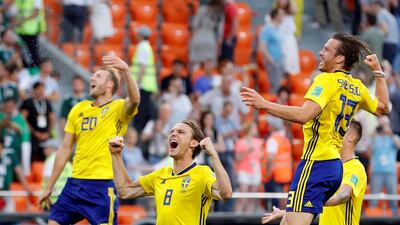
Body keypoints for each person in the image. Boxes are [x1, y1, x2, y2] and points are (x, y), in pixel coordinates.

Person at [241, 32, 389, 225]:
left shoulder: (325, 81)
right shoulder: (357, 87)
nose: (320, 53)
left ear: (340, 59)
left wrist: (264, 104)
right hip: (334, 166)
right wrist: (378, 72)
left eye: (326, 49)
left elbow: (304, 115)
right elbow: (382, 107)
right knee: (287, 222)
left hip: (316, 162)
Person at [36, 53, 140, 225]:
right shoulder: (78, 109)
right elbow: (64, 149)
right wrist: (49, 186)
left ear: (109, 84)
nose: (92, 77)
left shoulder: (118, 108)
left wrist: (125, 70)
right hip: (74, 185)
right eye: (93, 75)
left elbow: (135, 99)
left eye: (98, 75)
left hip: (101, 188)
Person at [108, 120, 233, 225]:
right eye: (172, 131)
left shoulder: (202, 173)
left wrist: (213, 155)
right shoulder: (160, 175)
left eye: (180, 132)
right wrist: (116, 155)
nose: (173, 134)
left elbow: (226, 192)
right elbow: (125, 190)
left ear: (193, 143)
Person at [261, 120, 367, 225]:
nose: (333, 135)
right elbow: (313, 201)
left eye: (339, 132)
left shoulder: (356, 168)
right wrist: (286, 212)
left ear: (351, 137)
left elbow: (343, 195)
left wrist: (314, 201)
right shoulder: (331, 169)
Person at [369, 115, 400, 216]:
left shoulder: (394, 137)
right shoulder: (374, 137)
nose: (383, 127)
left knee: (393, 200)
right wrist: (374, 132)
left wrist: (390, 133)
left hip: (390, 172)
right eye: (381, 124)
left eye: (385, 124)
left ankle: (395, 219)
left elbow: (399, 146)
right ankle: (372, 218)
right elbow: (368, 151)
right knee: (373, 200)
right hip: (376, 172)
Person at [20, 81, 55, 162]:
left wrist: (48, 133)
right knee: (31, 157)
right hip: (32, 136)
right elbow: (23, 118)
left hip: (46, 136)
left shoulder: (46, 102)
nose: (41, 91)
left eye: (43, 89)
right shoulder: (28, 102)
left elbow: (52, 119)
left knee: (49, 156)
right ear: (34, 90)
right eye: (39, 89)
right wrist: (34, 132)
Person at [41, 139, 72, 205]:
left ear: (52, 148)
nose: (44, 150)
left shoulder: (51, 159)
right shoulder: (67, 162)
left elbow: (47, 178)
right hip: (65, 196)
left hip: (52, 198)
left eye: (46, 148)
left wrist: (48, 192)